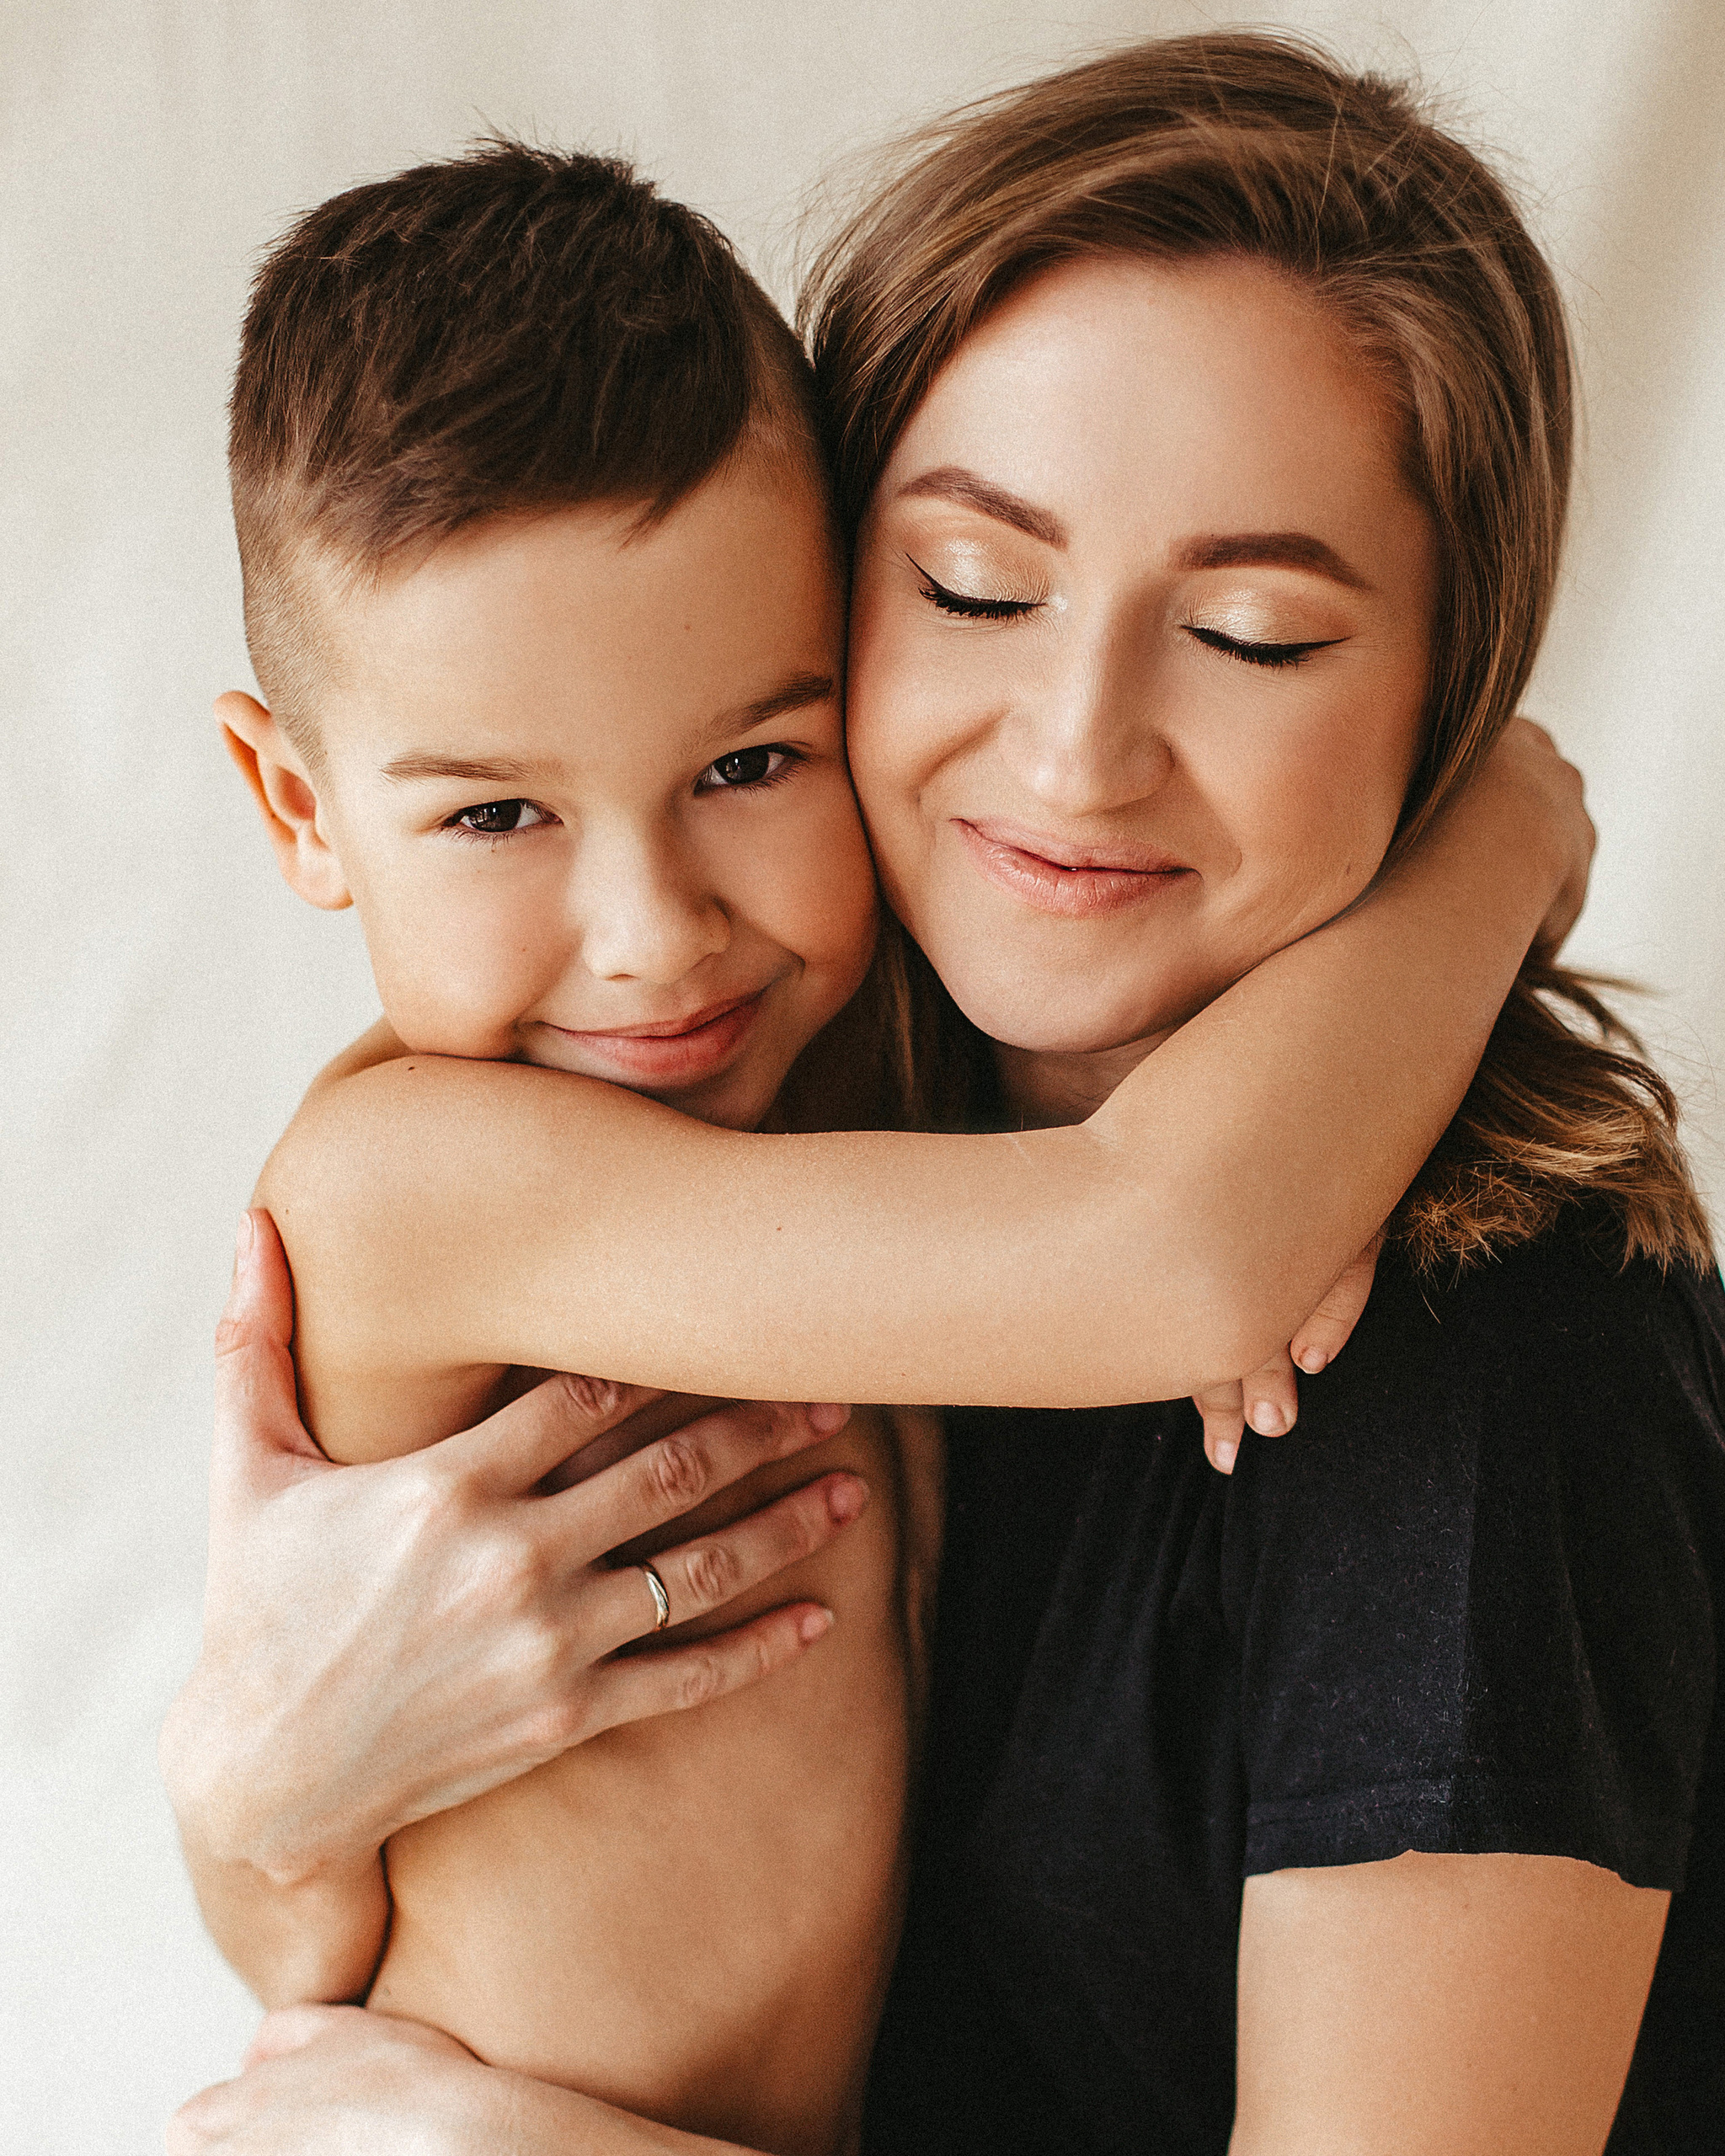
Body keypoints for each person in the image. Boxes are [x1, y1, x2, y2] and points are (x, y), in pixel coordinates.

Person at [168, 32, 1709, 2156]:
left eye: (1255, 631)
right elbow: (1160, 1246)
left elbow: (1170, 1232)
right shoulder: (554, 1159)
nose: (653, 932)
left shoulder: (1456, 1344)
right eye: (977, 585)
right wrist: (257, 1788)